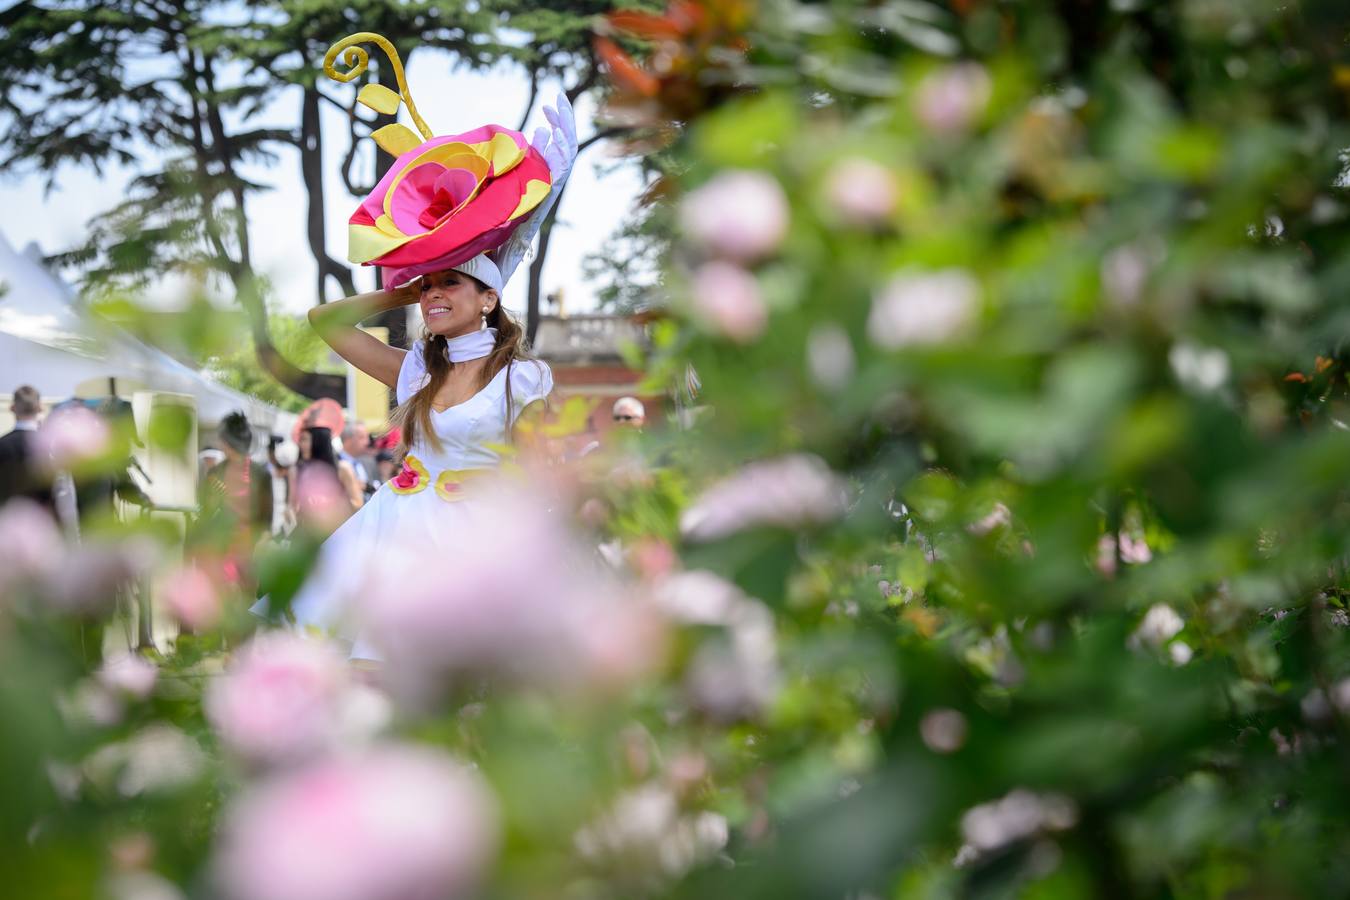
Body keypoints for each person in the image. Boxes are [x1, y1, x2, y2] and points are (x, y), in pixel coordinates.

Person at [256, 49, 579, 657]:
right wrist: (399, 291)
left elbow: (540, 476)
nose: (433, 294)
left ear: (489, 298)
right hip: (392, 536)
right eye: (429, 285)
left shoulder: (523, 379)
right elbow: (324, 320)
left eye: (448, 283)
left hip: (470, 547)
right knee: (369, 676)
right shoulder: (413, 370)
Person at [0, 384, 52, 511]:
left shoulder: (2, 444)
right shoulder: (50, 447)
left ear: (12, 408)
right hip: (43, 520)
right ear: (40, 408)